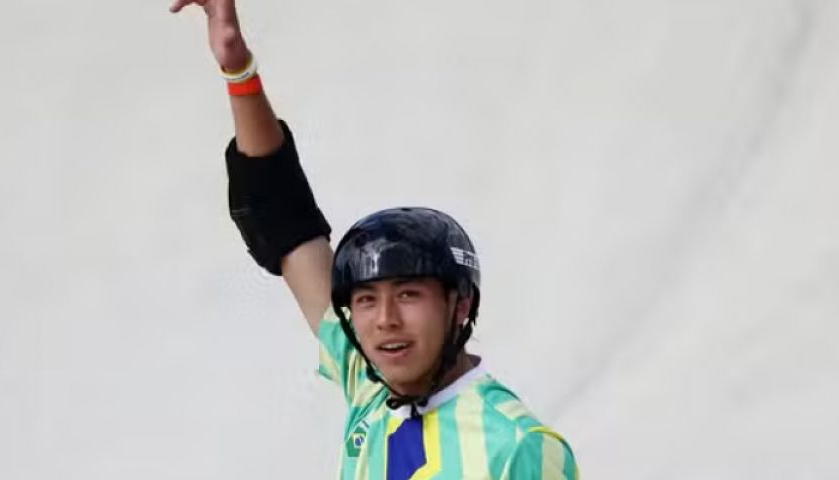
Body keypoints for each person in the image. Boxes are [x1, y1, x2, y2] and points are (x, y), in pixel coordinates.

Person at [169, 1, 579, 478]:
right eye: (365, 299)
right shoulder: (370, 383)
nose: (385, 320)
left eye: (408, 295)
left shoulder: (518, 446)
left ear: (460, 305)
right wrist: (238, 68)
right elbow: (280, 216)